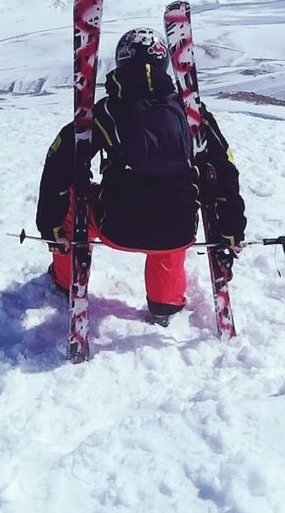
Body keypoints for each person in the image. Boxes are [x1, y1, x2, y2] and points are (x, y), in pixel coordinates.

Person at [36, 28, 247, 325]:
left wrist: (50, 225)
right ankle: (165, 303)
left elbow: (60, 162)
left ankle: (64, 277)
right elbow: (225, 167)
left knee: (75, 197)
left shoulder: (106, 112)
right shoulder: (192, 114)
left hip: (117, 224)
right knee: (176, 212)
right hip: (177, 231)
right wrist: (231, 228)